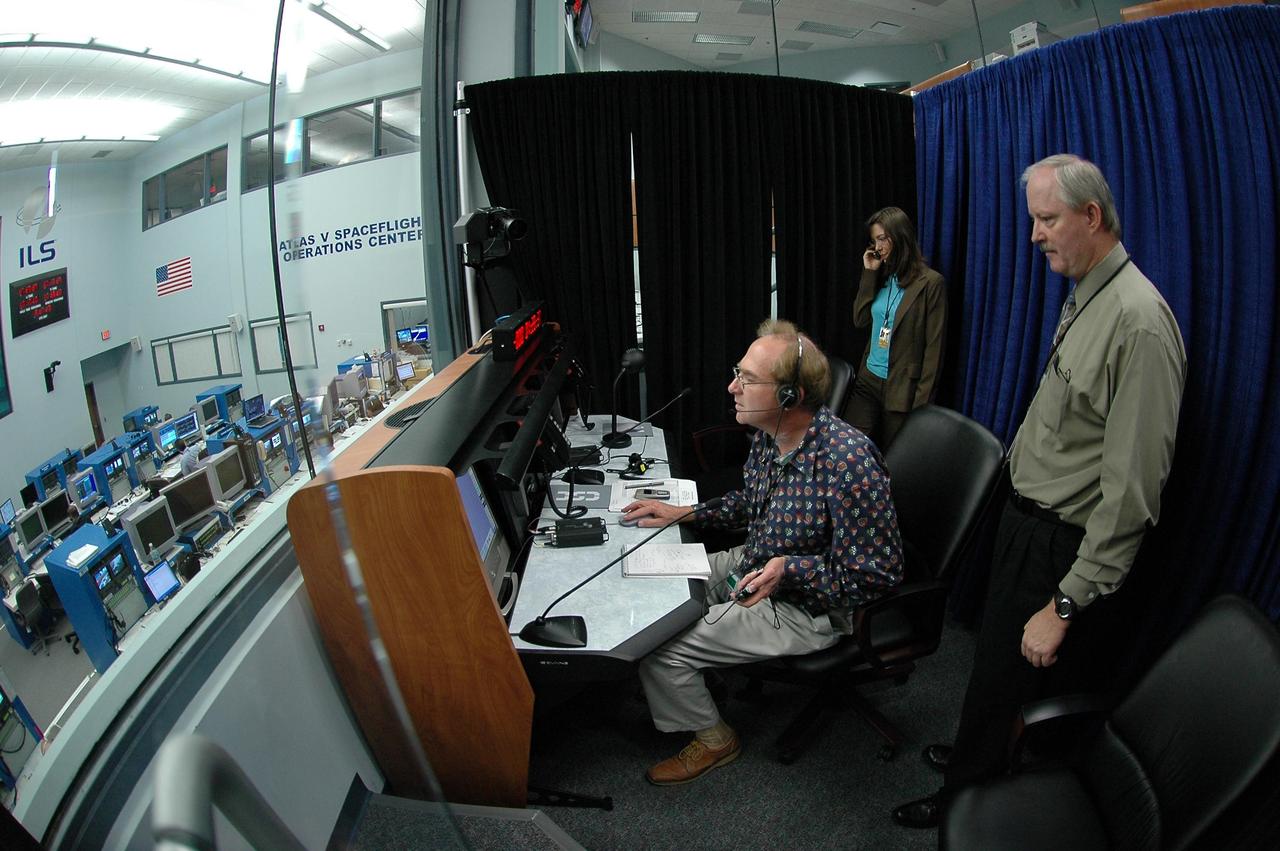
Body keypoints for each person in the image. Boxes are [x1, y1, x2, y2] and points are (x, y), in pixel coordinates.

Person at [893, 154, 1186, 829]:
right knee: (996, 670)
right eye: (1033, 219)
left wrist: (1066, 599)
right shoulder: (1088, 290)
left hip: (1064, 547)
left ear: (1092, 215)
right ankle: (976, 755)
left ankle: (967, 801)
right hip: (1028, 525)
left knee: (1012, 678)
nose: (1034, 235)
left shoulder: (1139, 322)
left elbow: (1134, 493)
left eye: (1047, 219)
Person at [622, 319, 904, 785]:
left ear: (790, 396)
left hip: (808, 608)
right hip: (756, 563)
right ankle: (697, 677)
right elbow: (749, 505)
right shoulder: (769, 437)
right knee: (656, 587)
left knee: (660, 651)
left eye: (748, 379)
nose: (732, 386)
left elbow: (878, 573)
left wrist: (790, 569)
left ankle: (716, 740)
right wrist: (683, 513)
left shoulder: (848, 461)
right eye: (738, 372)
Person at [845, 206, 947, 450]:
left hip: (903, 389)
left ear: (900, 236)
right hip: (868, 381)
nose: (877, 247)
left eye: (882, 239)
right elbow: (860, 319)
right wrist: (869, 274)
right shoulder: (882, 275)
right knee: (847, 449)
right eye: (874, 240)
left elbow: (935, 350)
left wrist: (921, 408)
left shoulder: (931, 283)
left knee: (895, 461)